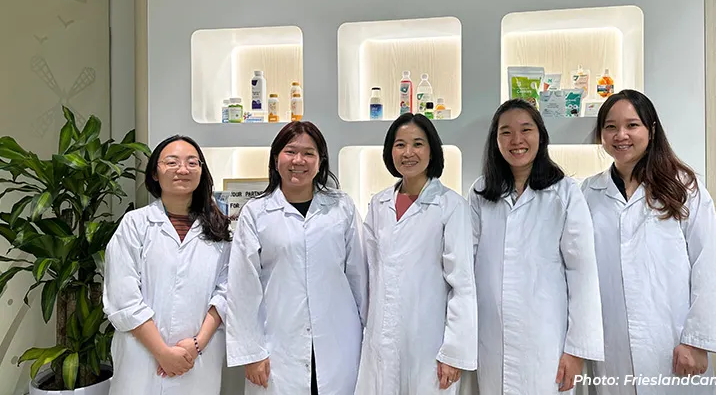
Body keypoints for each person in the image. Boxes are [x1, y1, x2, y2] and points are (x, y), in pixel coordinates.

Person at [581, 90, 716, 394]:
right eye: (610, 127)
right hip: (613, 346)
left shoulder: (684, 187)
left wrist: (697, 341)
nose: (621, 135)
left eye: (632, 125)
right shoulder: (588, 192)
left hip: (673, 344)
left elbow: (709, 266)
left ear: (651, 129)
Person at [469, 99, 604, 394]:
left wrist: (576, 349)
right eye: (506, 132)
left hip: (547, 340)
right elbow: (468, 265)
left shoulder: (565, 192)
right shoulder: (480, 193)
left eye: (526, 129)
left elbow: (583, 272)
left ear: (541, 136)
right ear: (495, 140)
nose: (516, 140)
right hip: (492, 339)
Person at [226, 121, 367, 395]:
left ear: (320, 161)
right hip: (278, 346)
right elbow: (243, 288)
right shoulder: (256, 213)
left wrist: (367, 335)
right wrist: (251, 352)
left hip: (339, 341)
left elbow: (359, 278)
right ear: (276, 158)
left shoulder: (342, 207)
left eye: (309, 153)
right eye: (290, 151)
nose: (298, 161)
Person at [355, 113, 477, 395]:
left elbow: (462, 285)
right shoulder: (378, 204)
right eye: (400, 145)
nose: (408, 153)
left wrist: (453, 352)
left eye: (418, 144)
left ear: (432, 150)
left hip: (429, 343)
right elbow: (369, 274)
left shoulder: (450, 206)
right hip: (380, 341)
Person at [104, 135, 231, 395]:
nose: (183, 169)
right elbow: (123, 296)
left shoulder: (220, 229)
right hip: (142, 356)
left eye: (192, 163)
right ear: (155, 172)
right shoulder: (135, 224)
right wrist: (162, 352)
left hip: (198, 357)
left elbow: (226, 292)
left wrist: (196, 345)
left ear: (201, 172)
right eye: (171, 162)